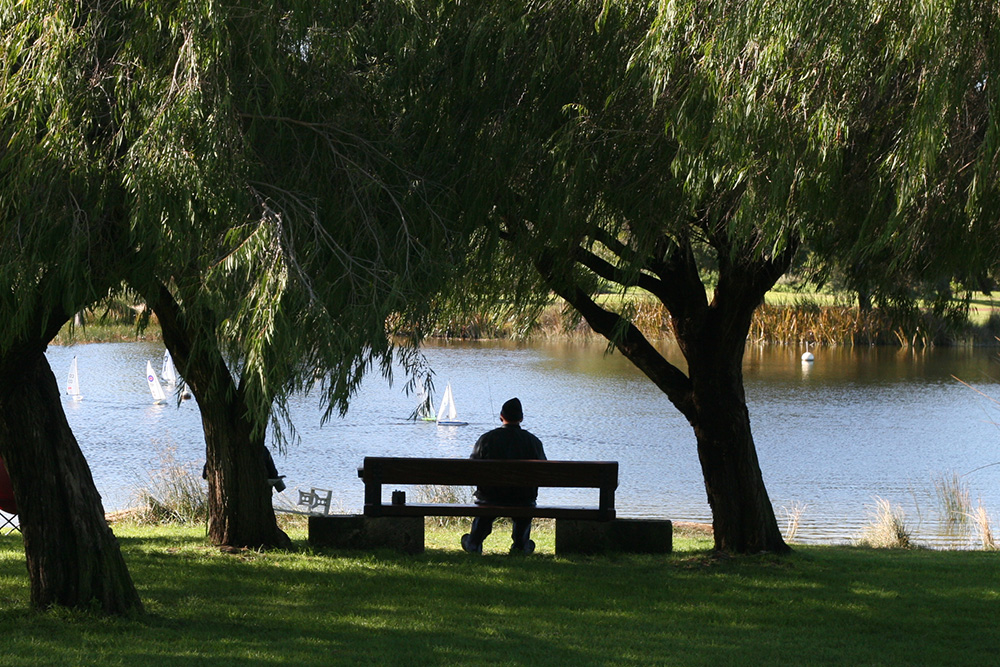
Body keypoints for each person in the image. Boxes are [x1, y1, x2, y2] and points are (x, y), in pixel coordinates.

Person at [461, 397, 546, 555]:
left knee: (487, 500)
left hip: (490, 496)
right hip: (523, 498)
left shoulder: (486, 439)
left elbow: (472, 469)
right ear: (521, 418)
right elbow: (543, 472)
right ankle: (521, 544)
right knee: (524, 501)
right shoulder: (533, 442)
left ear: (501, 416)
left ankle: (474, 542)